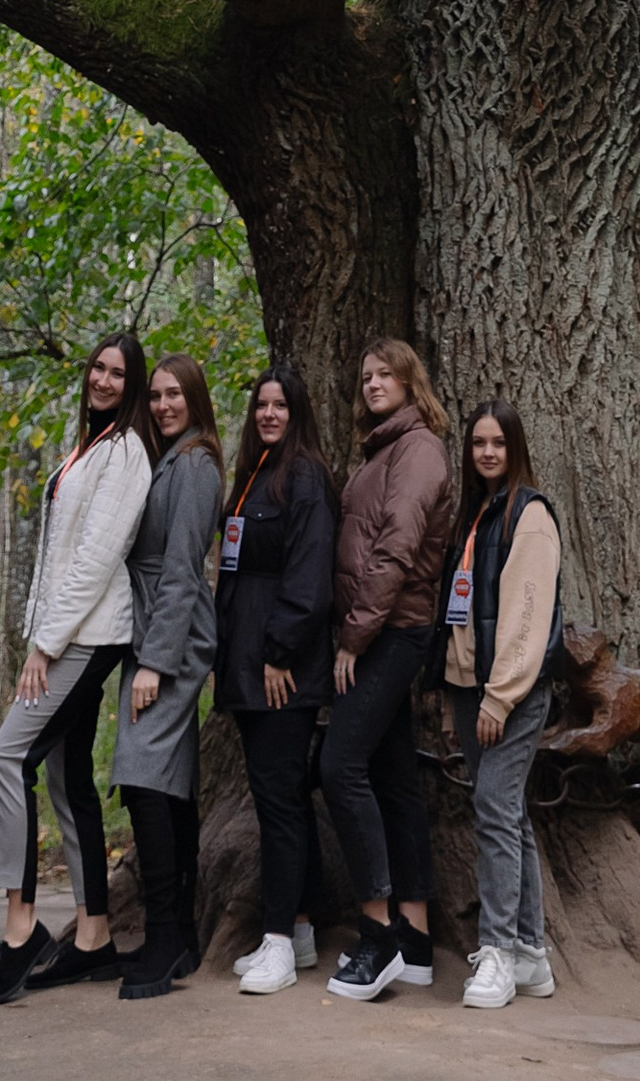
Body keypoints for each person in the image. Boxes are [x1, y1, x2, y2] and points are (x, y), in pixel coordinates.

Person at [0, 331, 153, 1007]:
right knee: (64, 774)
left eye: (117, 374)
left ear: (131, 386)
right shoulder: (89, 445)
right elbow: (56, 553)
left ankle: (22, 928)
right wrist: (37, 630)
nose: (103, 380)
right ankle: (95, 935)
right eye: (97, 369)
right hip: (64, 632)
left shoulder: (127, 452)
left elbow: (96, 560)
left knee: (6, 757)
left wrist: (44, 645)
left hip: (89, 637)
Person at [325, 336, 454, 1005]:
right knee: (395, 777)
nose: (373, 383)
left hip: (391, 632)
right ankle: (416, 938)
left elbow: (397, 548)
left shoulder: (419, 450)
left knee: (338, 764)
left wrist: (351, 639)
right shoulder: (382, 450)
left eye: (386, 374)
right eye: (366, 374)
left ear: (411, 383)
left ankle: (375, 937)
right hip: (380, 630)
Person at [437, 401, 562, 1009]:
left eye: (499, 444)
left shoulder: (529, 515)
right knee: (508, 813)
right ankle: (532, 955)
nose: (487, 453)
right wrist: (456, 691)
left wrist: (499, 697)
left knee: (492, 807)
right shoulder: (478, 515)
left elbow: (525, 619)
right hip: (470, 689)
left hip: (511, 693)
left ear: (516, 450)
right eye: (478, 443)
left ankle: (498, 953)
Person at [218, 365, 338, 998]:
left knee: (280, 803)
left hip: (279, 671)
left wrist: (279, 653)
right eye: (261, 404)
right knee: (279, 798)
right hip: (244, 664)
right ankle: (301, 928)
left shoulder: (307, 477)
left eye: (280, 406)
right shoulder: (253, 477)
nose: (268, 414)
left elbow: (310, 578)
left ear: (298, 414)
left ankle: (278, 946)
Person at [113, 352, 223, 999]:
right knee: (170, 782)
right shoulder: (165, 460)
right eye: (154, 396)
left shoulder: (197, 465)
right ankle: (178, 932)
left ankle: (161, 937)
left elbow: (183, 570)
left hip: (173, 639)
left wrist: (155, 661)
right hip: (155, 630)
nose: (162, 405)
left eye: (174, 395)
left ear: (195, 400)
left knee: (142, 774)